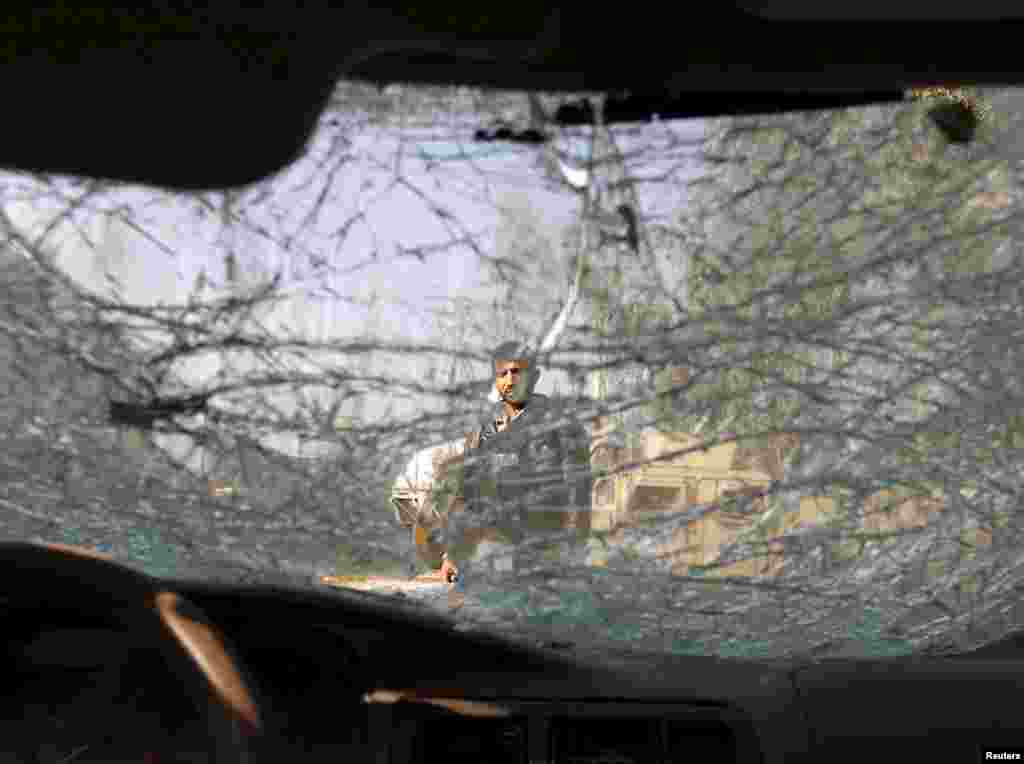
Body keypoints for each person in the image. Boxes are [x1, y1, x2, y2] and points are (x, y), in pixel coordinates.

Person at [438, 340, 592, 585]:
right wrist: (453, 554)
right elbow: (466, 495)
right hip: (496, 544)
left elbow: (578, 487)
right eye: (502, 374)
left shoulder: (559, 423)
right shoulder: (485, 431)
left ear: (535, 376)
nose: (510, 380)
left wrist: (574, 545)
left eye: (517, 371)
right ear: (495, 381)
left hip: (548, 542)